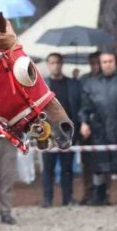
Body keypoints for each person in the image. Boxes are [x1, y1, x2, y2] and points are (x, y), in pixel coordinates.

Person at [78, 50, 117, 206]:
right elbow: (85, 107)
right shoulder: (91, 84)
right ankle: (99, 196)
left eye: (110, 61)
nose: (107, 64)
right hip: (99, 130)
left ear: (115, 62)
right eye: (104, 62)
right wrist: (84, 123)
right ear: (100, 63)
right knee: (98, 166)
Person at [41, 53, 81, 207]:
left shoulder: (72, 84)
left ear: (62, 64)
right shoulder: (42, 86)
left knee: (67, 168)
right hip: (48, 132)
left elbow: (77, 105)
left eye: (58, 62)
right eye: (52, 62)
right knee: (48, 168)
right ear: (48, 64)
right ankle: (47, 199)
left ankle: (67, 198)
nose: (55, 65)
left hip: (67, 132)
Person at [76, 51, 101, 204]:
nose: (95, 66)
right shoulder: (83, 80)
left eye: (97, 63)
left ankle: (101, 192)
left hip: (102, 125)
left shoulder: (105, 79)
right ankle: (88, 191)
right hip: (86, 125)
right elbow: (80, 103)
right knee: (87, 163)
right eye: (92, 63)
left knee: (102, 161)